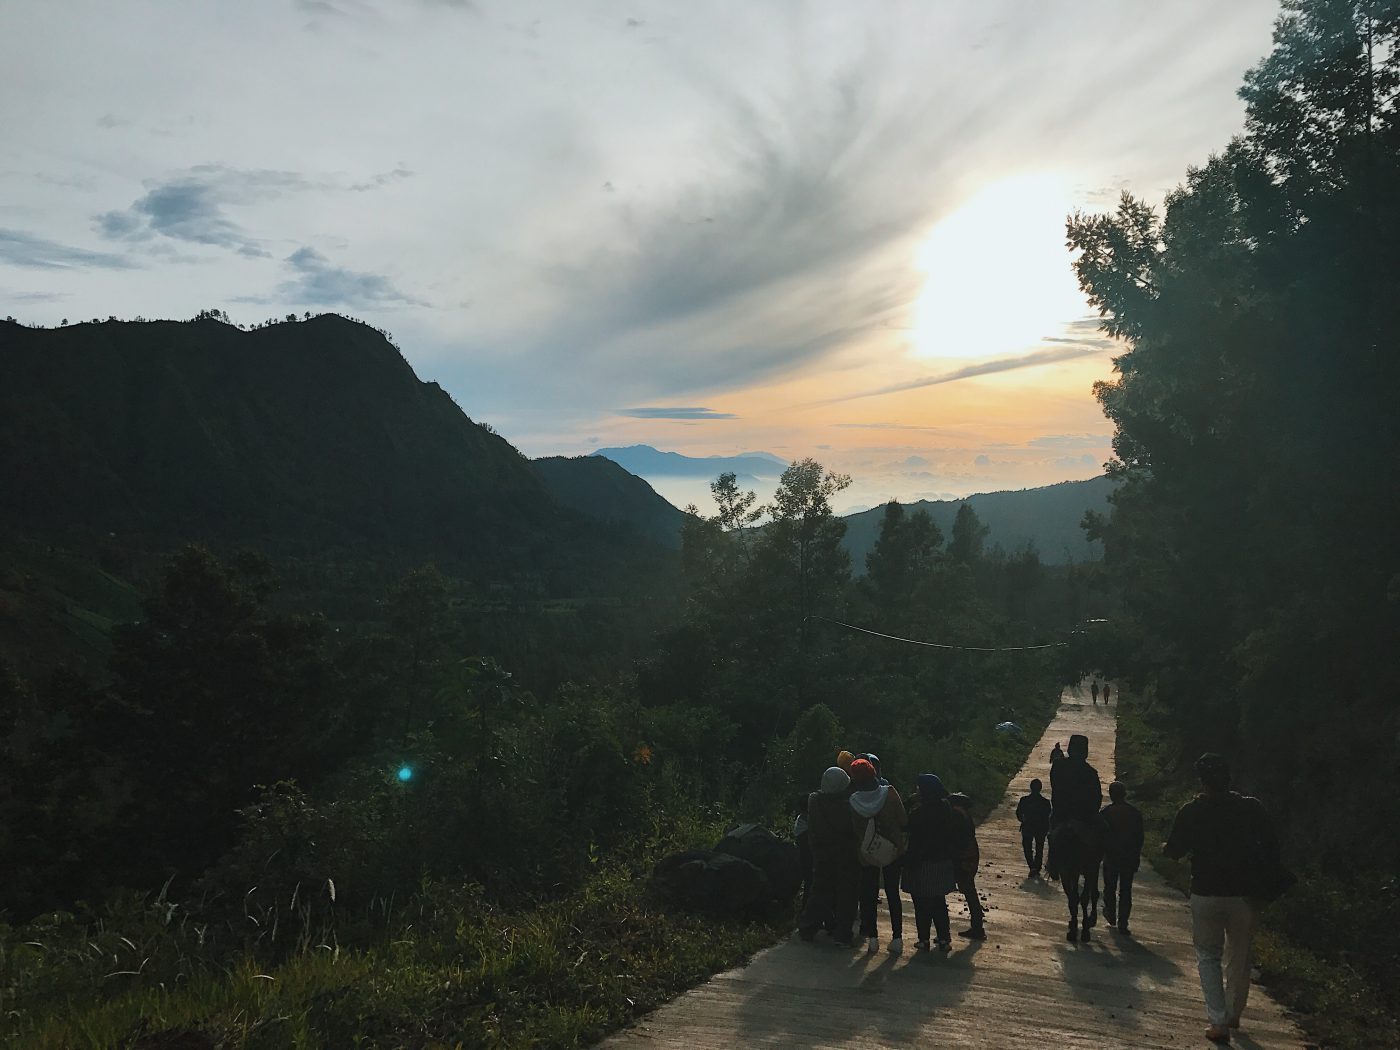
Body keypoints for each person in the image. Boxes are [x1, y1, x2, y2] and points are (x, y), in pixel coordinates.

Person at [1164, 754, 1278, 1044]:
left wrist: (1170, 847)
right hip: (1244, 894)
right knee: (1240, 955)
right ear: (1229, 778)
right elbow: (1271, 845)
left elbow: (1174, 850)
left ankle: (1217, 1022)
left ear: (1202, 781)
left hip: (1206, 891)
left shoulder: (1192, 810)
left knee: (1208, 956)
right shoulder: (1252, 808)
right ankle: (1233, 1012)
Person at [848, 757, 907, 954]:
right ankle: (897, 938)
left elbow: (854, 831)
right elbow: (903, 819)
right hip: (892, 851)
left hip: (867, 854)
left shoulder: (853, 801)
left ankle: (872, 938)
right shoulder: (889, 793)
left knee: (868, 895)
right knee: (892, 894)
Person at [798, 766, 860, 946]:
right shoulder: (849, 806)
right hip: (846, 856)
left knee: (819, 893)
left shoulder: (814, 801)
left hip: (822, 854)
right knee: (846, 897)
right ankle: (842, 934)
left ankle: (807, 927)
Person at [902, 773, 960, 950]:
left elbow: (905, 824)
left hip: (923, 862)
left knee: (921, 903)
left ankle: (924, 938)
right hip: (942, 861)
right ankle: (944, 938)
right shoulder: (946, 808)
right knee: (938, 902)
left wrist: (909, 802)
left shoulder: (919, 813)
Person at [1046, 734, 1102, 881]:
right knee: (1102, 834)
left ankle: (1052, 865)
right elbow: (1097, 797)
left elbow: (1055, 786)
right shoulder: (1090, 772)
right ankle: (1095, 865)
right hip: (1083, 817)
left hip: (1061, 814)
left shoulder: (1058, 766)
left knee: (1052, 835)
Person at [1100, 781, 1144, 934]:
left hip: (1111, 856)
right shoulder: (1134, 813)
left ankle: (1111, 913)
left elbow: (1101, 836)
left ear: (1111, 795)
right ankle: (1123, 922)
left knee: (1109, 888)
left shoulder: (1106, 813)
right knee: (1126, 890)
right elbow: (1140, 838)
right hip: (1128, 856)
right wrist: (1136, 855)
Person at [947, 791, 985, 939]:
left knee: (969, 890)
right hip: (969, 856)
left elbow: (955, 838)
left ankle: (977, 927)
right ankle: (977, 925)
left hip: (963, 858)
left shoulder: (957, 816)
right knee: (970, 891)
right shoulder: (965, 815)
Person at [1015, 778, 1053, 877]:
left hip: (1028, 826)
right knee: (1039, 847)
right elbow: (1048, 816)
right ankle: (1036, 867)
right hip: (1040, 827)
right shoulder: (1045, 802)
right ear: (1040, 788)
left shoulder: (1024, 800)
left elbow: (1018, 813)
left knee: (1027, 847)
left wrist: (1023, 821)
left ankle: (1032, 866)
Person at [793, 793, 813, 912]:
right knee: (810, 884)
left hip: (805, 859)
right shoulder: (804, 823)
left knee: (809, 885)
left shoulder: (801, 821)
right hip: (807, 859)